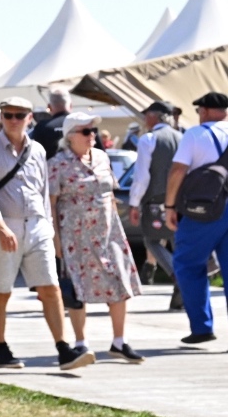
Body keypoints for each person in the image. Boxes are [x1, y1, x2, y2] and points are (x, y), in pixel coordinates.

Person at [0, 96, 93, 369]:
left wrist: (48, 227)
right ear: (1, 117)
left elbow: (43, 190)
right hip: (4, 225)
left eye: (19, 115)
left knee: (51, 287)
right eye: (8, 115)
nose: (13, 120)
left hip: (36, 225)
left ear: (29, 118)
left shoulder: (36, 149)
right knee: (2, 290)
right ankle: (0, 349)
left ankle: (64, 349)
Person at [48, 112, 144, 362]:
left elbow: (110, 192)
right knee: (78, 288)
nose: (93, 136)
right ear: (70, 137)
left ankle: (119, 342)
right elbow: (51, 204)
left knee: (119, 283)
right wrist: (55, 240)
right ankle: (81, 343)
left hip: (108, 232)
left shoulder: (102, 157)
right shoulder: (57, 164)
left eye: (93, 131)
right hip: (75, 235)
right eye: (86, 131)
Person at [163, 91, 228, 344]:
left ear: (206, 110)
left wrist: (169, 206)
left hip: (205, 211)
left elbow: (178, 170)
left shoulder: (195, 134)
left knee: (188, 265)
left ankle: (202, 327)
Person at [128, 99, 185, 307]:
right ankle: (182, 288)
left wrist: (134, 204)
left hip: (156, 199)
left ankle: (177, 275)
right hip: (180, 200)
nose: (144, 119)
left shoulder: (149, 139)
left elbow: (142, 176)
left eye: (146, 115)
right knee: (176, 241)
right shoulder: (183, 137)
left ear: (154, 116)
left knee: (151, 240)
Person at [30, 87, 72, 159]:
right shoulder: (84, 124)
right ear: (71, 105)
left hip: (48, 168)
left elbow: (34, 154)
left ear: (49, 106)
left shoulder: (42, 127)